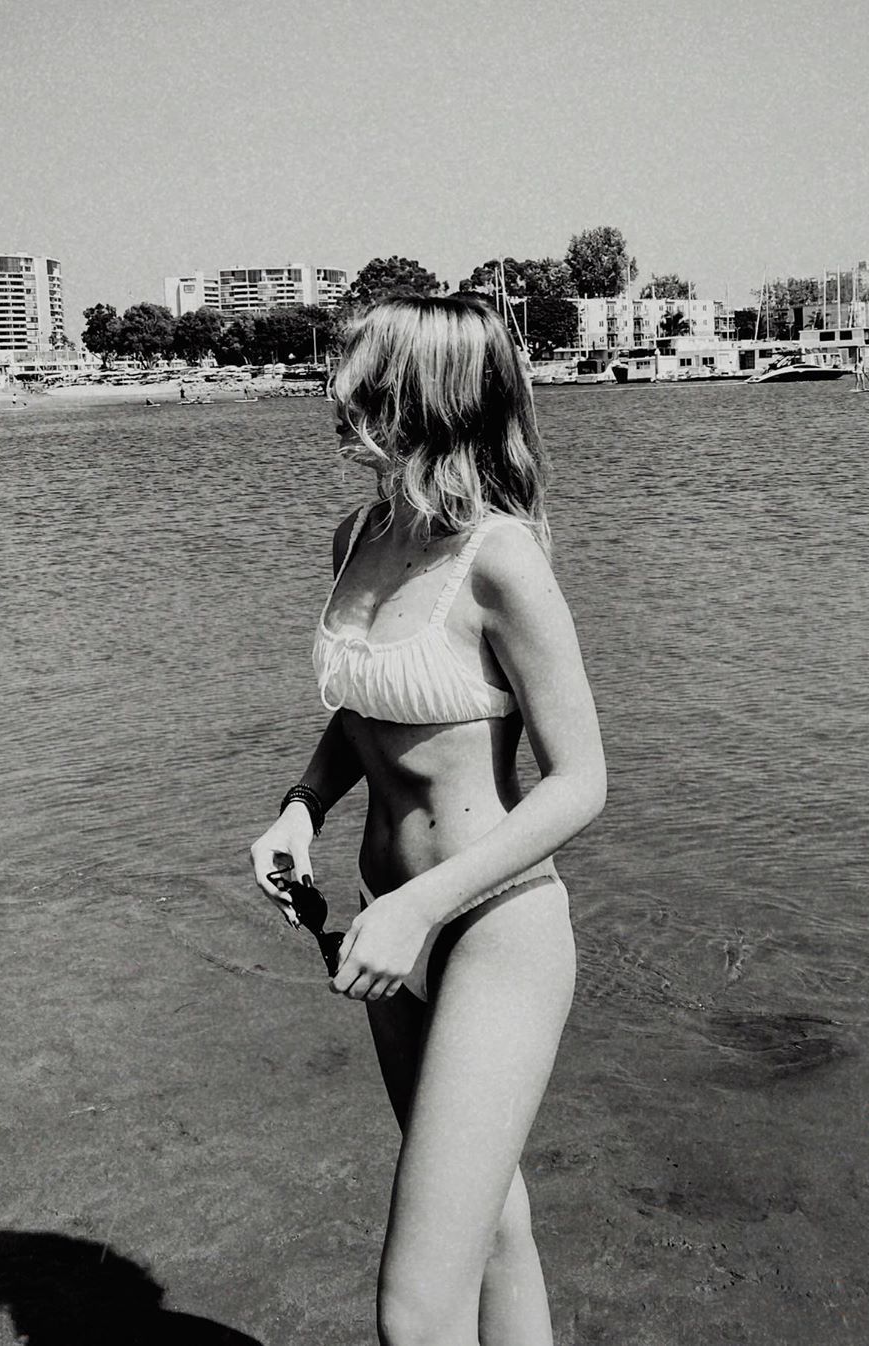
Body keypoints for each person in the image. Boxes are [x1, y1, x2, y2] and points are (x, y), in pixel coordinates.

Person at [249, 294, 607, 1346]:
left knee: (413, 1310)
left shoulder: (500, 559)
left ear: (425, 397)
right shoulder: (356, 536)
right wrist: (301, 811)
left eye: (359, 382)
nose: (336, 399)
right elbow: (364, 713)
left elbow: (581, 781)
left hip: (491, 926)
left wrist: (421, 909)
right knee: (492, 1230)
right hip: (383, 915)